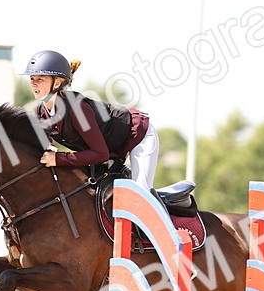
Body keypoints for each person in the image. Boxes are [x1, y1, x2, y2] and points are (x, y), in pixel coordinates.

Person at [21, 50, 160, 190]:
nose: (33, 84)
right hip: (112, 148)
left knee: (140, 191)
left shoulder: (77, 109)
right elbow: (46, 149)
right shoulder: (40, 112)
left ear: (56, 83)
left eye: (40, 79)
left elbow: (100, 154)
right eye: (32, 79)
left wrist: (58, 159)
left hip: (138, 135)